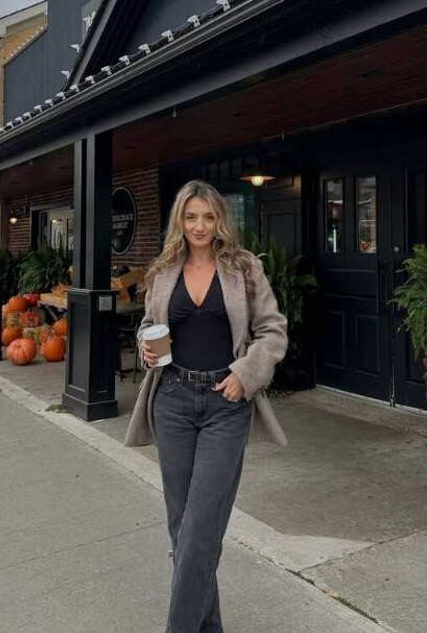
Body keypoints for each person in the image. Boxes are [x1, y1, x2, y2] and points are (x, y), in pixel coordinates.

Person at [123, 180, 289, 633]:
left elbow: (273, 331)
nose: (200, 226)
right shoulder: (162, 270)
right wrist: (146, 346)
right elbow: (148, 324)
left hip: (225, 403)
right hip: (173, 400)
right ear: (180, 220)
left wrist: (246, 375)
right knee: (183, 529)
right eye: (191, 217)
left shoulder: (245, 268)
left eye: (208, 217)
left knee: (199, 531)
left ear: (221, 220)